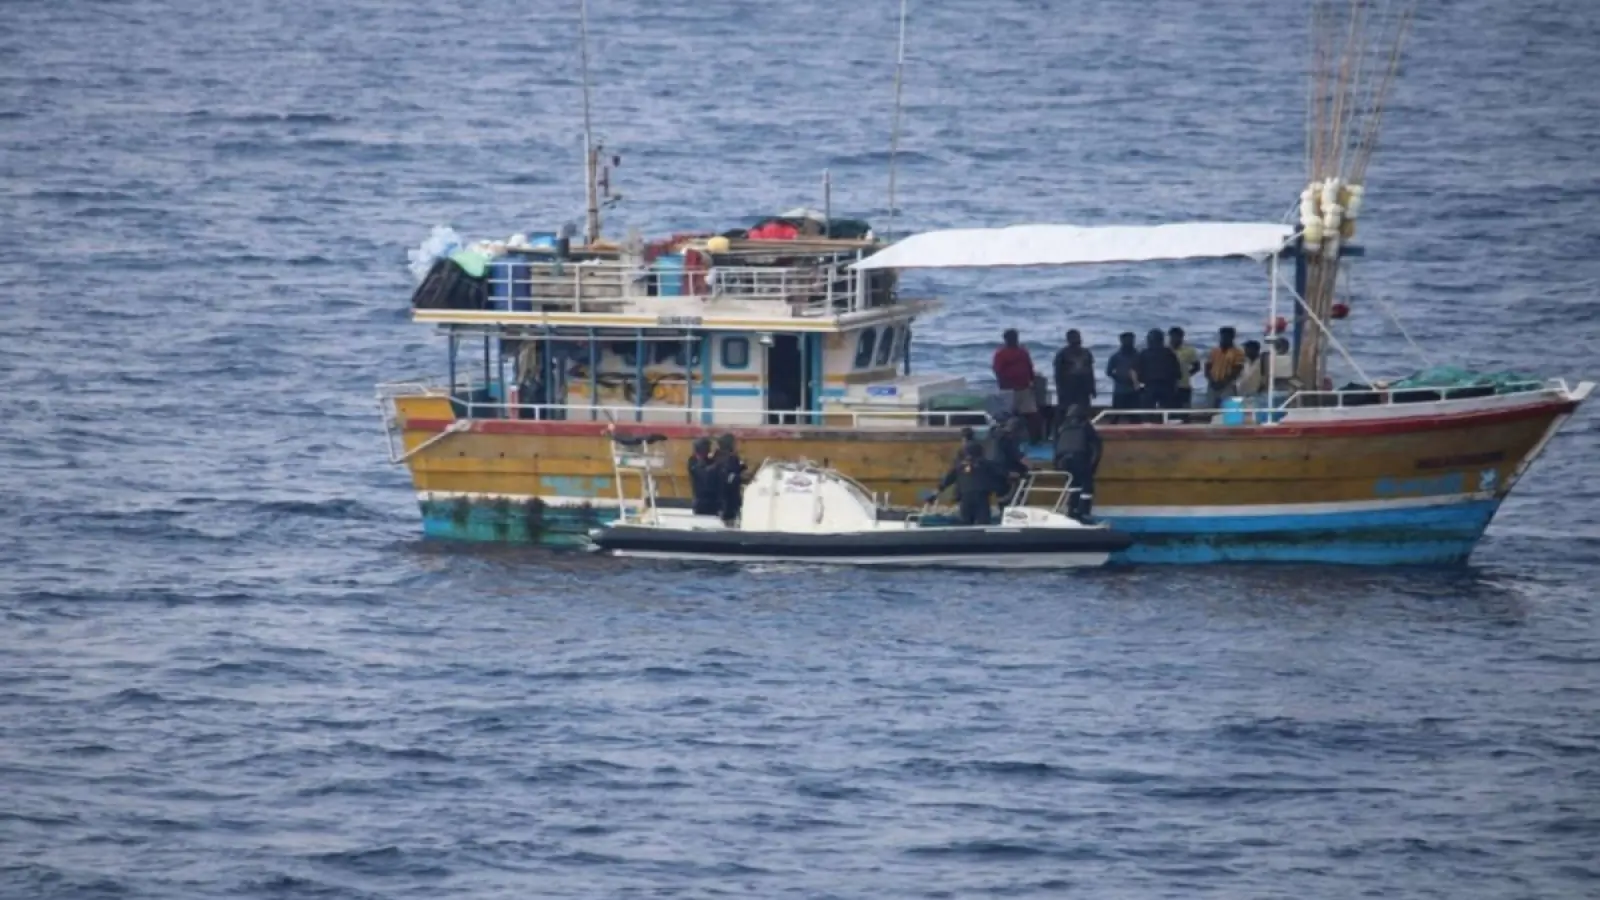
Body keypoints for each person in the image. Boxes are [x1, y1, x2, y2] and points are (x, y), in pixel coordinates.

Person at [1052, 404, 1103, 520]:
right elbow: (1097, 446)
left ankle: (1071, 509)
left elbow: (1056, 446)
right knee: (1087, 487)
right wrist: (1093, 465)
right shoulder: (1085, 426)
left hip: (1063, 460)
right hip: (1080, 459)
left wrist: (1056, 463)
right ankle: (1083, 512)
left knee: (1073, 485)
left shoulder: (1062, 427)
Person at [938, 442, 999, 526]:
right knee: (983, 520)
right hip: (981, 495)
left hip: (965, 495)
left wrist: (941, 487)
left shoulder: (959, 466)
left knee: (966, 521)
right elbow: (999, 473)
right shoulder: (986, 464)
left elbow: (949, 478)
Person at [992, 329, 1039, 437]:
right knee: (1010, 415)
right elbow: (998, 371)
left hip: (1023, 387)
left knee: (1030, 414)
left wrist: (1031, 381)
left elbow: (1029, 367)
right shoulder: (1002, 354)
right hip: (1009, 388)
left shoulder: (1022, 352)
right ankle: (1012, 437)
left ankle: (1034, 438)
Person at [1052, 329, 1096, 422]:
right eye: (1074, 338)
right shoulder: (1062, 354)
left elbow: (1090, 371)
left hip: (1083, 388)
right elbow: (1057, 374)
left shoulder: (1086, 353)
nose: (1077, 340)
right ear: (1068, 340)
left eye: (1078, 337)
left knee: (1084, 412)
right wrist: (1060, 389)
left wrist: (1092, 388)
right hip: (1068, 388)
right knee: (1064, 411)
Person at [1135, 328, 1182, 411]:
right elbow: (1177, 371)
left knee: (1147, 410)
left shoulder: (1144, 353)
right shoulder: (1169, 353)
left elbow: (1138, 370)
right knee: (1167, 409)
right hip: (1167, 386)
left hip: (1150, 386)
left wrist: (1140, 383)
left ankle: (1149, 422)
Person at [1204, 326, 1245, 408]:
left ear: (1232, 338)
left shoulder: (1238, 352)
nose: (1224, 338)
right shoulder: (1214, 351)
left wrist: (1224, 382)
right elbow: (1207, 367)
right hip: (1212, 384)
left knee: (1229, 409)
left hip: (1228, 385)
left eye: (1227, 336)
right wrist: (1211, 380)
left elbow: (1237, 370)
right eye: (1223, 336)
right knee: (1211, 407)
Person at [711, 433, 746, 525]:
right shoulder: (728, 458)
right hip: (728, 501)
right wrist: (742, 477)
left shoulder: (718, 457)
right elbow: (728, 478)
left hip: (723, 500)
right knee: (729, 523)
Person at [1106, 331, 1142, 413]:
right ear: (1121, 341)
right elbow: (1108, 372)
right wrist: (1119, 378)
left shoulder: (1138, 355)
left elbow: (1143, 370)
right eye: (1127, 340)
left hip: (1134, 390)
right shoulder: (1115, 356)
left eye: (1131, 340)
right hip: (1120, 390)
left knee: (1135, 415)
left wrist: (1137, 379)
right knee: (1116, 414)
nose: (1129, 342)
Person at [1168, 327, 1200, 410]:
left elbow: (1197, 366)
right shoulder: (1165, 350)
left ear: (1182, 337)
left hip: (1184, 386)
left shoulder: (1189, 350)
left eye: (1177, 337)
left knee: (1185, 410)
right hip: (1168, 386)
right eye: (1173, 337)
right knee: (1170, 410)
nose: (1175, 339)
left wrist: (1187, 374)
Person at [687, 437, 719, 515]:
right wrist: (717, 464)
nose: (709, 450)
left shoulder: (709, 460)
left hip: (713, 501)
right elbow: (704, 473)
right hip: (701, 501)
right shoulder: (693, 461)